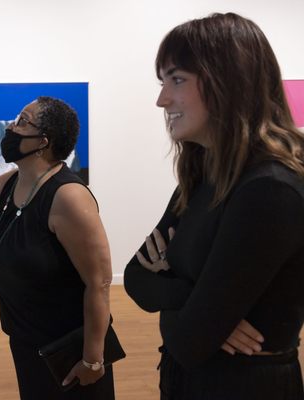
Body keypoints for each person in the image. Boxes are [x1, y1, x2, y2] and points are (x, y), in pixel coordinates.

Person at [123, 12, 304, 400]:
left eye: (177, 80)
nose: (162, 99)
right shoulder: (203, 173)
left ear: (228, 81)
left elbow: (189, 340)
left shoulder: (270, 190)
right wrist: (193, 301)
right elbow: (134, 279)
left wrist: (177, 297)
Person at [0, 96, 116, 399]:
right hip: (27, 343)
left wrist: (92, 359)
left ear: (43, 142)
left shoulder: (68, 197)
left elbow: (99, 282)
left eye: (23, 121)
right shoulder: (11, 183)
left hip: (69, 350)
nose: (11, 126)